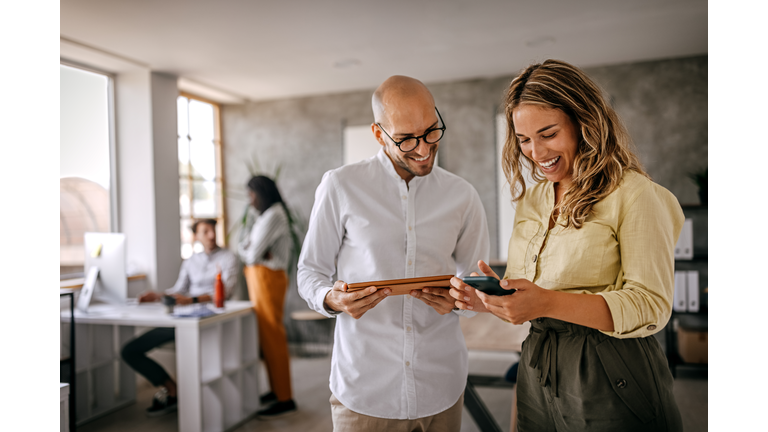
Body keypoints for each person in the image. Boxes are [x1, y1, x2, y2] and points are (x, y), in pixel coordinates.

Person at [449, 59, 684, 431]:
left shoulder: (635, 194)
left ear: (583, 123)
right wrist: (487, 300)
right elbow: (529, 289)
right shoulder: (533, 200)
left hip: (611, 368)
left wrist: (545, 302)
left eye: (548, 134)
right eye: (524, 140)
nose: (536, 153)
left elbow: (650, 304)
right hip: (538, 365)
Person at [297, 75, 490, 432]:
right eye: (405, 139)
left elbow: (476, 282)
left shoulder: (463, 196)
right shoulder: (340, 186)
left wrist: (466, 299)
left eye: (432, 131)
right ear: (378, 134)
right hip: (366, 389)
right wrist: (332, 299)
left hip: (442, 384)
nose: (423, 148)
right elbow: (310, 272)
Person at [121, 218, 239, 417]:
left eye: (213, 230)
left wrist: (190, 299)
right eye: (205, 231)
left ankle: (197, 404)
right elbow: (178, 291)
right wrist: (158, 296)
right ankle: (172, 389)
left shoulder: (229, 258)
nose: (211, 235)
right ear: (196, 236)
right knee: (130, 350)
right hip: (183, 319)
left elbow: (224, 293)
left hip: (210, 320)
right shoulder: (190, 261)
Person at [238, 175, 297, 419]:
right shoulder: (264, 216)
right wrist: (250, 248)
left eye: (252, 194)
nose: (250, 200)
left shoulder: (274, 215)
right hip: (261, 279)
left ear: (262, 193)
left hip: (268, 279)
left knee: (273, 336)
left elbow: (250, 254)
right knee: (266, 337)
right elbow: (248, 247)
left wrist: (249, 248)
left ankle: (285, 397)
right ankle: (276, 390)